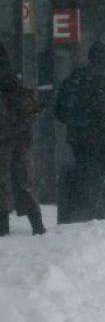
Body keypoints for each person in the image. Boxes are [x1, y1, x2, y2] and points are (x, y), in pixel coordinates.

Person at [55, 41, 105, 223]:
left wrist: (78, 124)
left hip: (77, 138)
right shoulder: (104, 79)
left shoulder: (75, 77)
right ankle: (93, 214)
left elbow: (59, 111)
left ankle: (80, 211)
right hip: (100, 139)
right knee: (98, 177)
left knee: (83, 171)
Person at [0, 43, 46, 236]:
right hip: (19, 134)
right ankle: (36, 223)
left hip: (5, 135)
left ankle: (2, 225)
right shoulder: (11, 80)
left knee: (2, 180)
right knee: (23, 179)